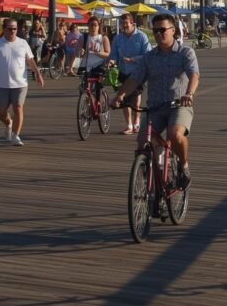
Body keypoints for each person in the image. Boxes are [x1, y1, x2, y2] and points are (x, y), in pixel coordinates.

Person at [114, 13, 200, 190]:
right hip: (154, 108)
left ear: (173, 30)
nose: (159, 34)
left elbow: (194, 75)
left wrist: (189, 94)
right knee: (142, 145)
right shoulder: (149, 57)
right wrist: (120, 95)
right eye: (156, 31)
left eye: (162, 30)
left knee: (175, 134)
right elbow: (135, 79)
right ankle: (152, 184)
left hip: (179, 105)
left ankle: (183, 166)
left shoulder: (185, 53)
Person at [0, 18, 45, 146]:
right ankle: (9, 123)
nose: (13, 31)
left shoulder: (23, 43)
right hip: (1, 84)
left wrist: (38, 74)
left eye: (15, 28)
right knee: (0, 112)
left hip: (20, 83)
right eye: (10, 28)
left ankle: (15, 136)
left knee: (18, 107)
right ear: (4, 29)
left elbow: (30, 61)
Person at [108, 13, 151, 134]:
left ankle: (136, 121)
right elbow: (113, 55)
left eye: (126, 23)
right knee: (124, 98)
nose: (124, 25)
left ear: (132, 23)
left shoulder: (142, 37)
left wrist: (133, 59)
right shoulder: (118, 38)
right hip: (123, 71)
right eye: (122, 23)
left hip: (138, 72)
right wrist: (111, 61)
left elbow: (148, 54)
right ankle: (129, 124)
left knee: (136, 97)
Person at [80, 17, 111, 92]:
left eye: (95, 25)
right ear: (88, 26)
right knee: (84, 89)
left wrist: (97, 53)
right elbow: (81, 54)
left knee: (97, 89)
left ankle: (99, 101)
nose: (93, 27)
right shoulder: (84, 37)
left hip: (99, 66)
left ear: (98, 26)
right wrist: (81, 52)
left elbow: (108, 53)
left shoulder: (103, 38)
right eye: (91, 25)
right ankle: (86, 100)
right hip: (86, 66)